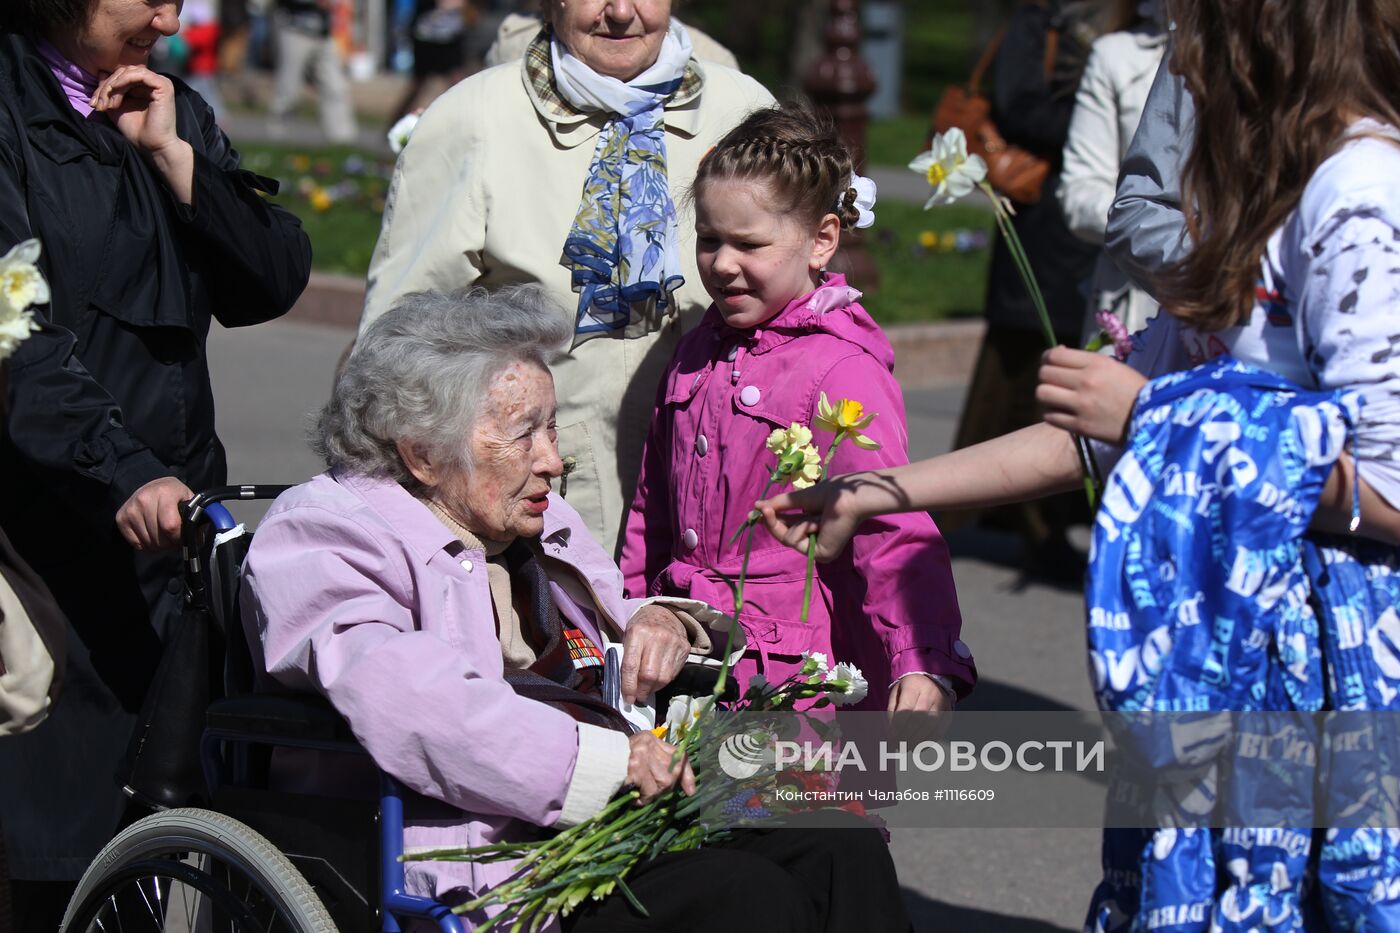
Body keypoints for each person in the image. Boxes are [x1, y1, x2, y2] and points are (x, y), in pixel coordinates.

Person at [761, 0, 1400, 923]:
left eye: (1196, 35)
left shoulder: (1361, 193)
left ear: (1267, 36)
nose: (1176, 65)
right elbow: (1089, 438)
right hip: (1218, 658)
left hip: (1322, 682)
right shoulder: (1265, 196)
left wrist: (1153, 412)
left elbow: (1387, 489)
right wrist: (877, 489)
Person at [241, 287, 912, 932]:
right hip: (493, 860)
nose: (554, 461)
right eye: (524, 433)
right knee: (748, 900)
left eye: (553, 427)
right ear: (421, 453)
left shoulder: (530, 515)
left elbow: (612, 620)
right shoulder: (325, 533)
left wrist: (661, 620)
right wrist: (601, 764)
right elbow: (408, 697)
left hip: (613, 811)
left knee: (834, 838)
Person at [0, 0, 312, 927]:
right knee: (49, 837)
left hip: (169, 532)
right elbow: (15, 338)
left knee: (153, 833)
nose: (171, 20)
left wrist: (176, 160)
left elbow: (271, 278)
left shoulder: (166, 104)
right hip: (45, 536)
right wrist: (120, 467)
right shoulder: (11, 114)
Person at [361, 0, 772, 555]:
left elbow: (804, 303)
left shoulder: (742, 109)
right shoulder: (474, 120)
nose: (622, 12)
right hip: (546, 512)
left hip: (729, 498)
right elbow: (395, 354)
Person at [618, 104, 974, 713]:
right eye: (709, 240)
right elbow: (652, 506)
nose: (722, 263)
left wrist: (922, 660)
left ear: (822, 240)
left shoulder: (842, 370)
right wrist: (631, 609)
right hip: (689, 656)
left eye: (749, 244)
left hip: (793, 679)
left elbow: (890, 526)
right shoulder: (697, 349)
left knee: (788, 808)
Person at [940, 0, 1119, 583]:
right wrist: (1102, 117)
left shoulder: (1122, 24)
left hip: (1085, 232)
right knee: (1027, 377)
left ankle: (1046, 523)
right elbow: (1018, 107)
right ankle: (1028, 527)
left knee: (1066, 367)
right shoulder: (1040, 21)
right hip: (1041, 225)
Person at [1057, 0, 1165, 343]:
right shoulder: (1117, 56)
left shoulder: (1266, 54)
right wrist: (1176, 232)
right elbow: (1080, 193)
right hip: (1137, 306)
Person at [268, 0, 357, 143]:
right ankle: (278, 137)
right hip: (295, 30)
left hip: (323, 33)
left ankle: (342, 141)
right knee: (289, 89)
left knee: (336, 87)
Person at [386, 0, 472, 127]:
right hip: (427, 38)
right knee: (418, 84)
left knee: (456, 82)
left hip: (450, 37)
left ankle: (466, 122)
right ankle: (395, 123)